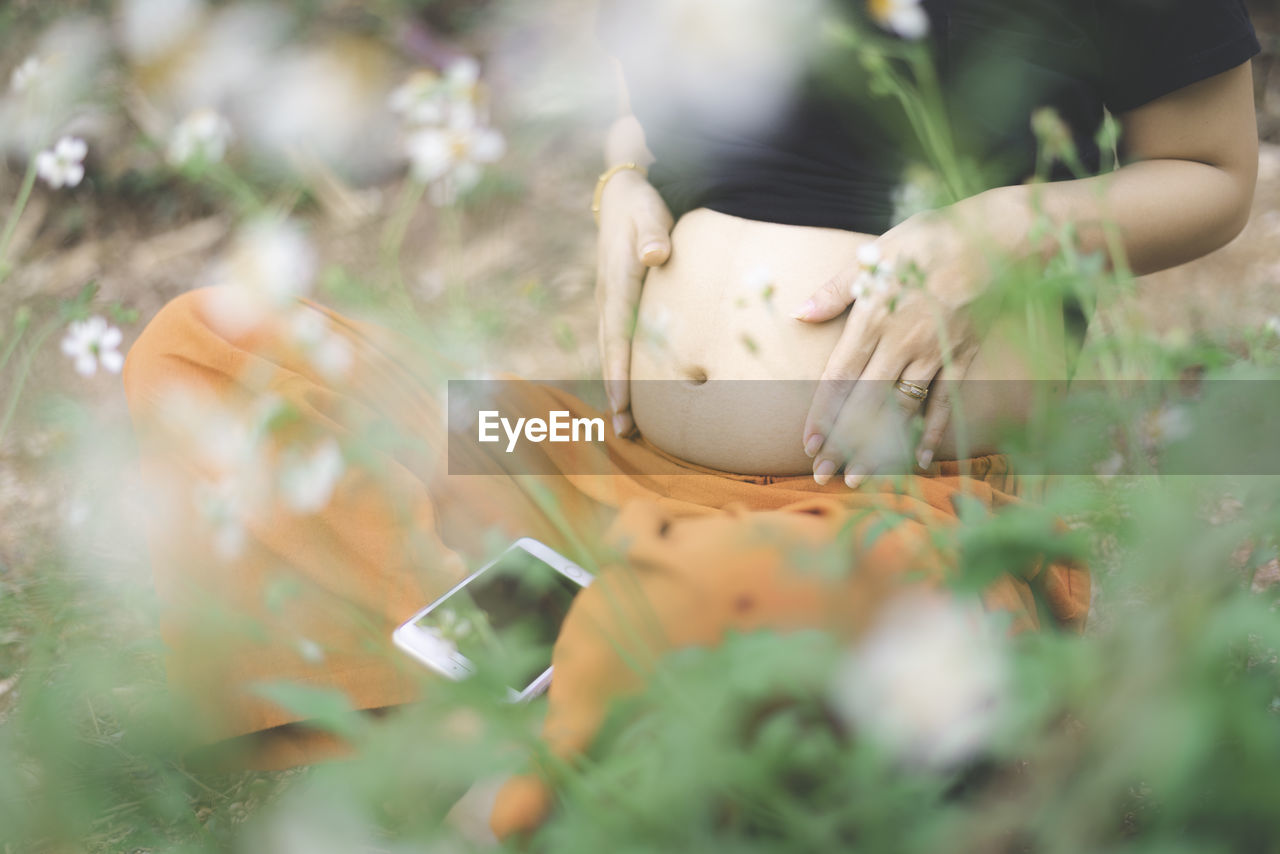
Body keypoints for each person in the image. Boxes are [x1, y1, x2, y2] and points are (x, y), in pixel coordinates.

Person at [120, 0, 1259, 839]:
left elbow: (1210, 170)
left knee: (723, 590)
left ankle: (567, 704)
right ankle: (541, 697)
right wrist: (626, 176)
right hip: (603, 452)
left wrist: (1002, 229)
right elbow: (653, 74)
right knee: (219, 348)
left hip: (882, 501)